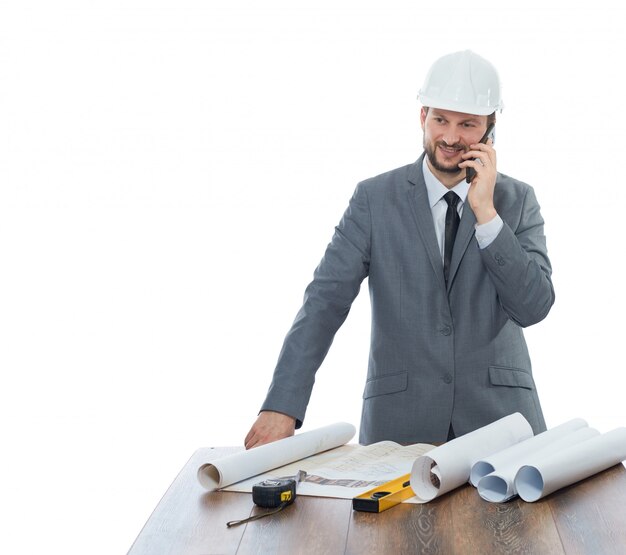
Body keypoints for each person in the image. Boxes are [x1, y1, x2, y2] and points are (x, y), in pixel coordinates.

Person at [244, 50, 555, 449]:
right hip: (401, 430)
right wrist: (281, 407)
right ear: (422, 116)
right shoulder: (373, 200)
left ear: (490, 131)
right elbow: (324, 301)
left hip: (501, 428)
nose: (450, 137)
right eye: (440, 119)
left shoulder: (516, 200)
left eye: (468, 125)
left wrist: (487, 214)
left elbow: (534, 307)